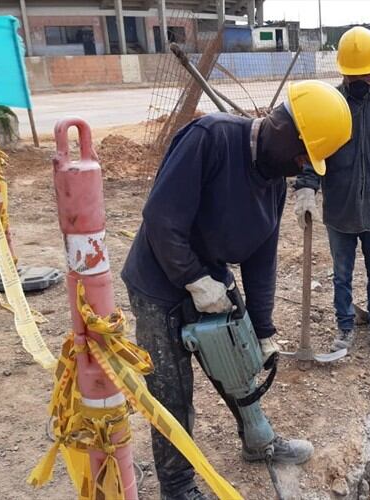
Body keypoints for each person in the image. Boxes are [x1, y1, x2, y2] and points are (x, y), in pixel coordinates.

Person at [121, 80, 352, 500]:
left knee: (238, 365)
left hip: (211, 278)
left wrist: (262, 328)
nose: (303, 165)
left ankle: (258, 441)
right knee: (173, 394)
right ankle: (177, 488)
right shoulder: (210, 138)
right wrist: (194, 280)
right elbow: (161, 219)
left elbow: (261, 258)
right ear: (284, 129)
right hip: (159, 284)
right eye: (303, 154)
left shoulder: (273, 180)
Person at [293, 27, 370, 359]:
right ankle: (345, 328)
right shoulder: (329, 106)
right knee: (342, 275)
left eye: (364, 72)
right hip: (340, 210)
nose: (359, 78)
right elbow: (315, 154)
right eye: (353, 73)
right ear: (343, 71)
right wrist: (306, 189)